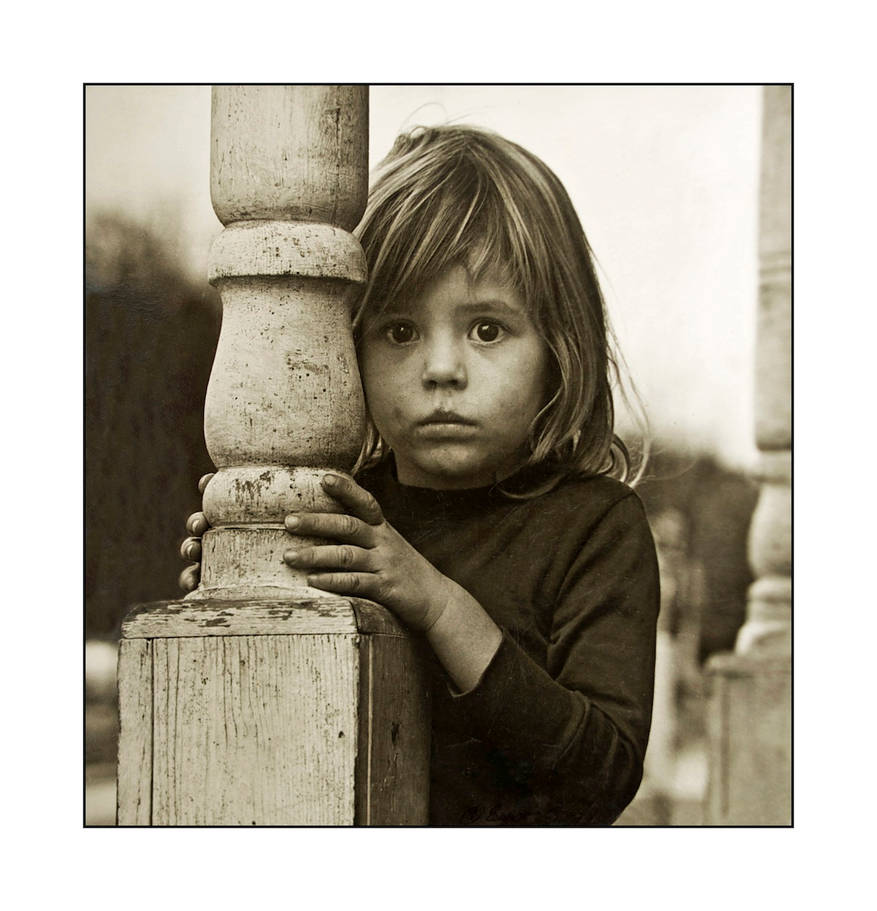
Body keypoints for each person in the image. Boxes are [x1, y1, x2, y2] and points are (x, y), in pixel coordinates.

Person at [180, 125, 660, 826]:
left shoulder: (595, 526)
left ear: (558, 347)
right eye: (399, 331)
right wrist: (230, 587)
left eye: (486, 329)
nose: (441, 369)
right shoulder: (345, 511)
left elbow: (600, 776)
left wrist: (438, 607)